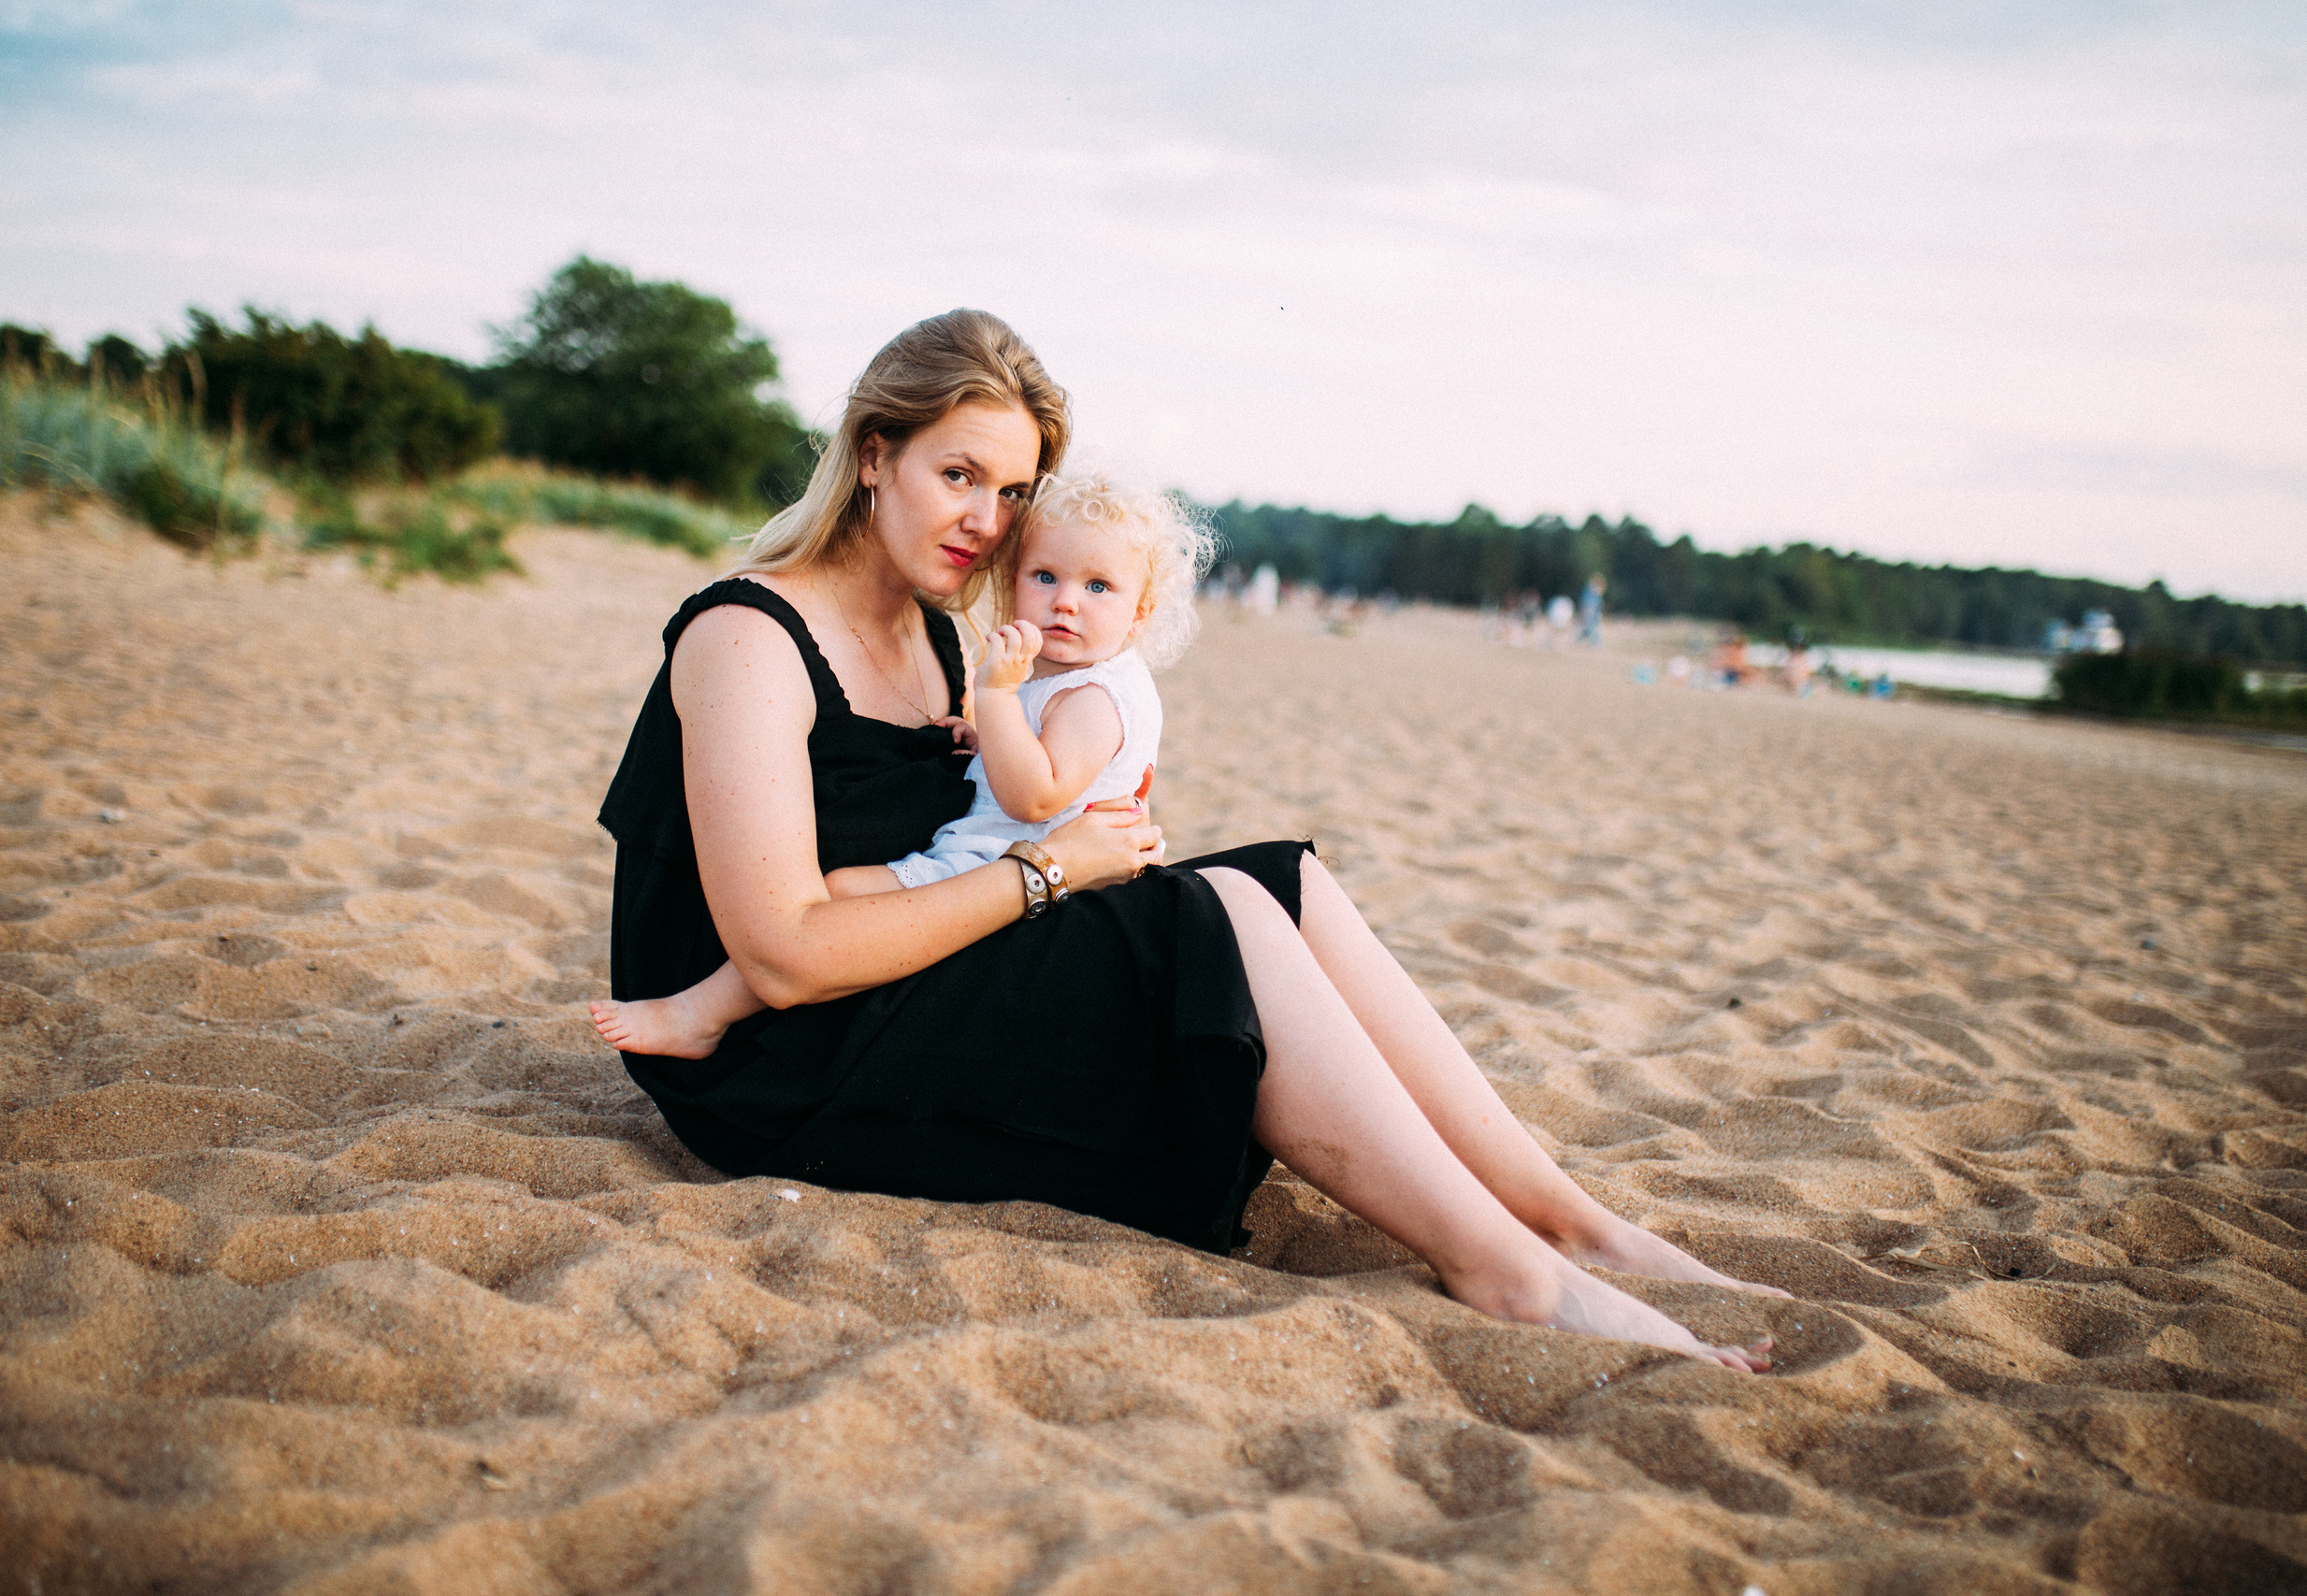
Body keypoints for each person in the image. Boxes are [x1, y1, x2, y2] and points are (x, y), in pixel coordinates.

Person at [596, 308, 1782, 1370]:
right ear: (872, 454)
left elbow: (991, 814)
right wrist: (1054, 871)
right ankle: (1509, 1276)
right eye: (959, 473)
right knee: (1202, 920)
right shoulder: (749, 635)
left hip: (908, 972)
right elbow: (787, 954)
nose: (987, 522)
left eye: (1011, 494)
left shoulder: (939, 639)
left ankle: (1568, 1222)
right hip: (777, 1055)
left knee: (1283, 881)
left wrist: (1067, 843)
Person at [589, 469, 1196, 1061]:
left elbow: (1035, 795)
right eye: (1045, 576)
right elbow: (1027, 758)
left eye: (1098, 587)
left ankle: (702, 1013)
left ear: (1140, 612)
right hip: (1002, 852)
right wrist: (984, 735)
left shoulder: (1096, 695)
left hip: (1005, 859)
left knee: (840, 897)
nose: (1066, 601)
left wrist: (994, 697)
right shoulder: (1061, 678)